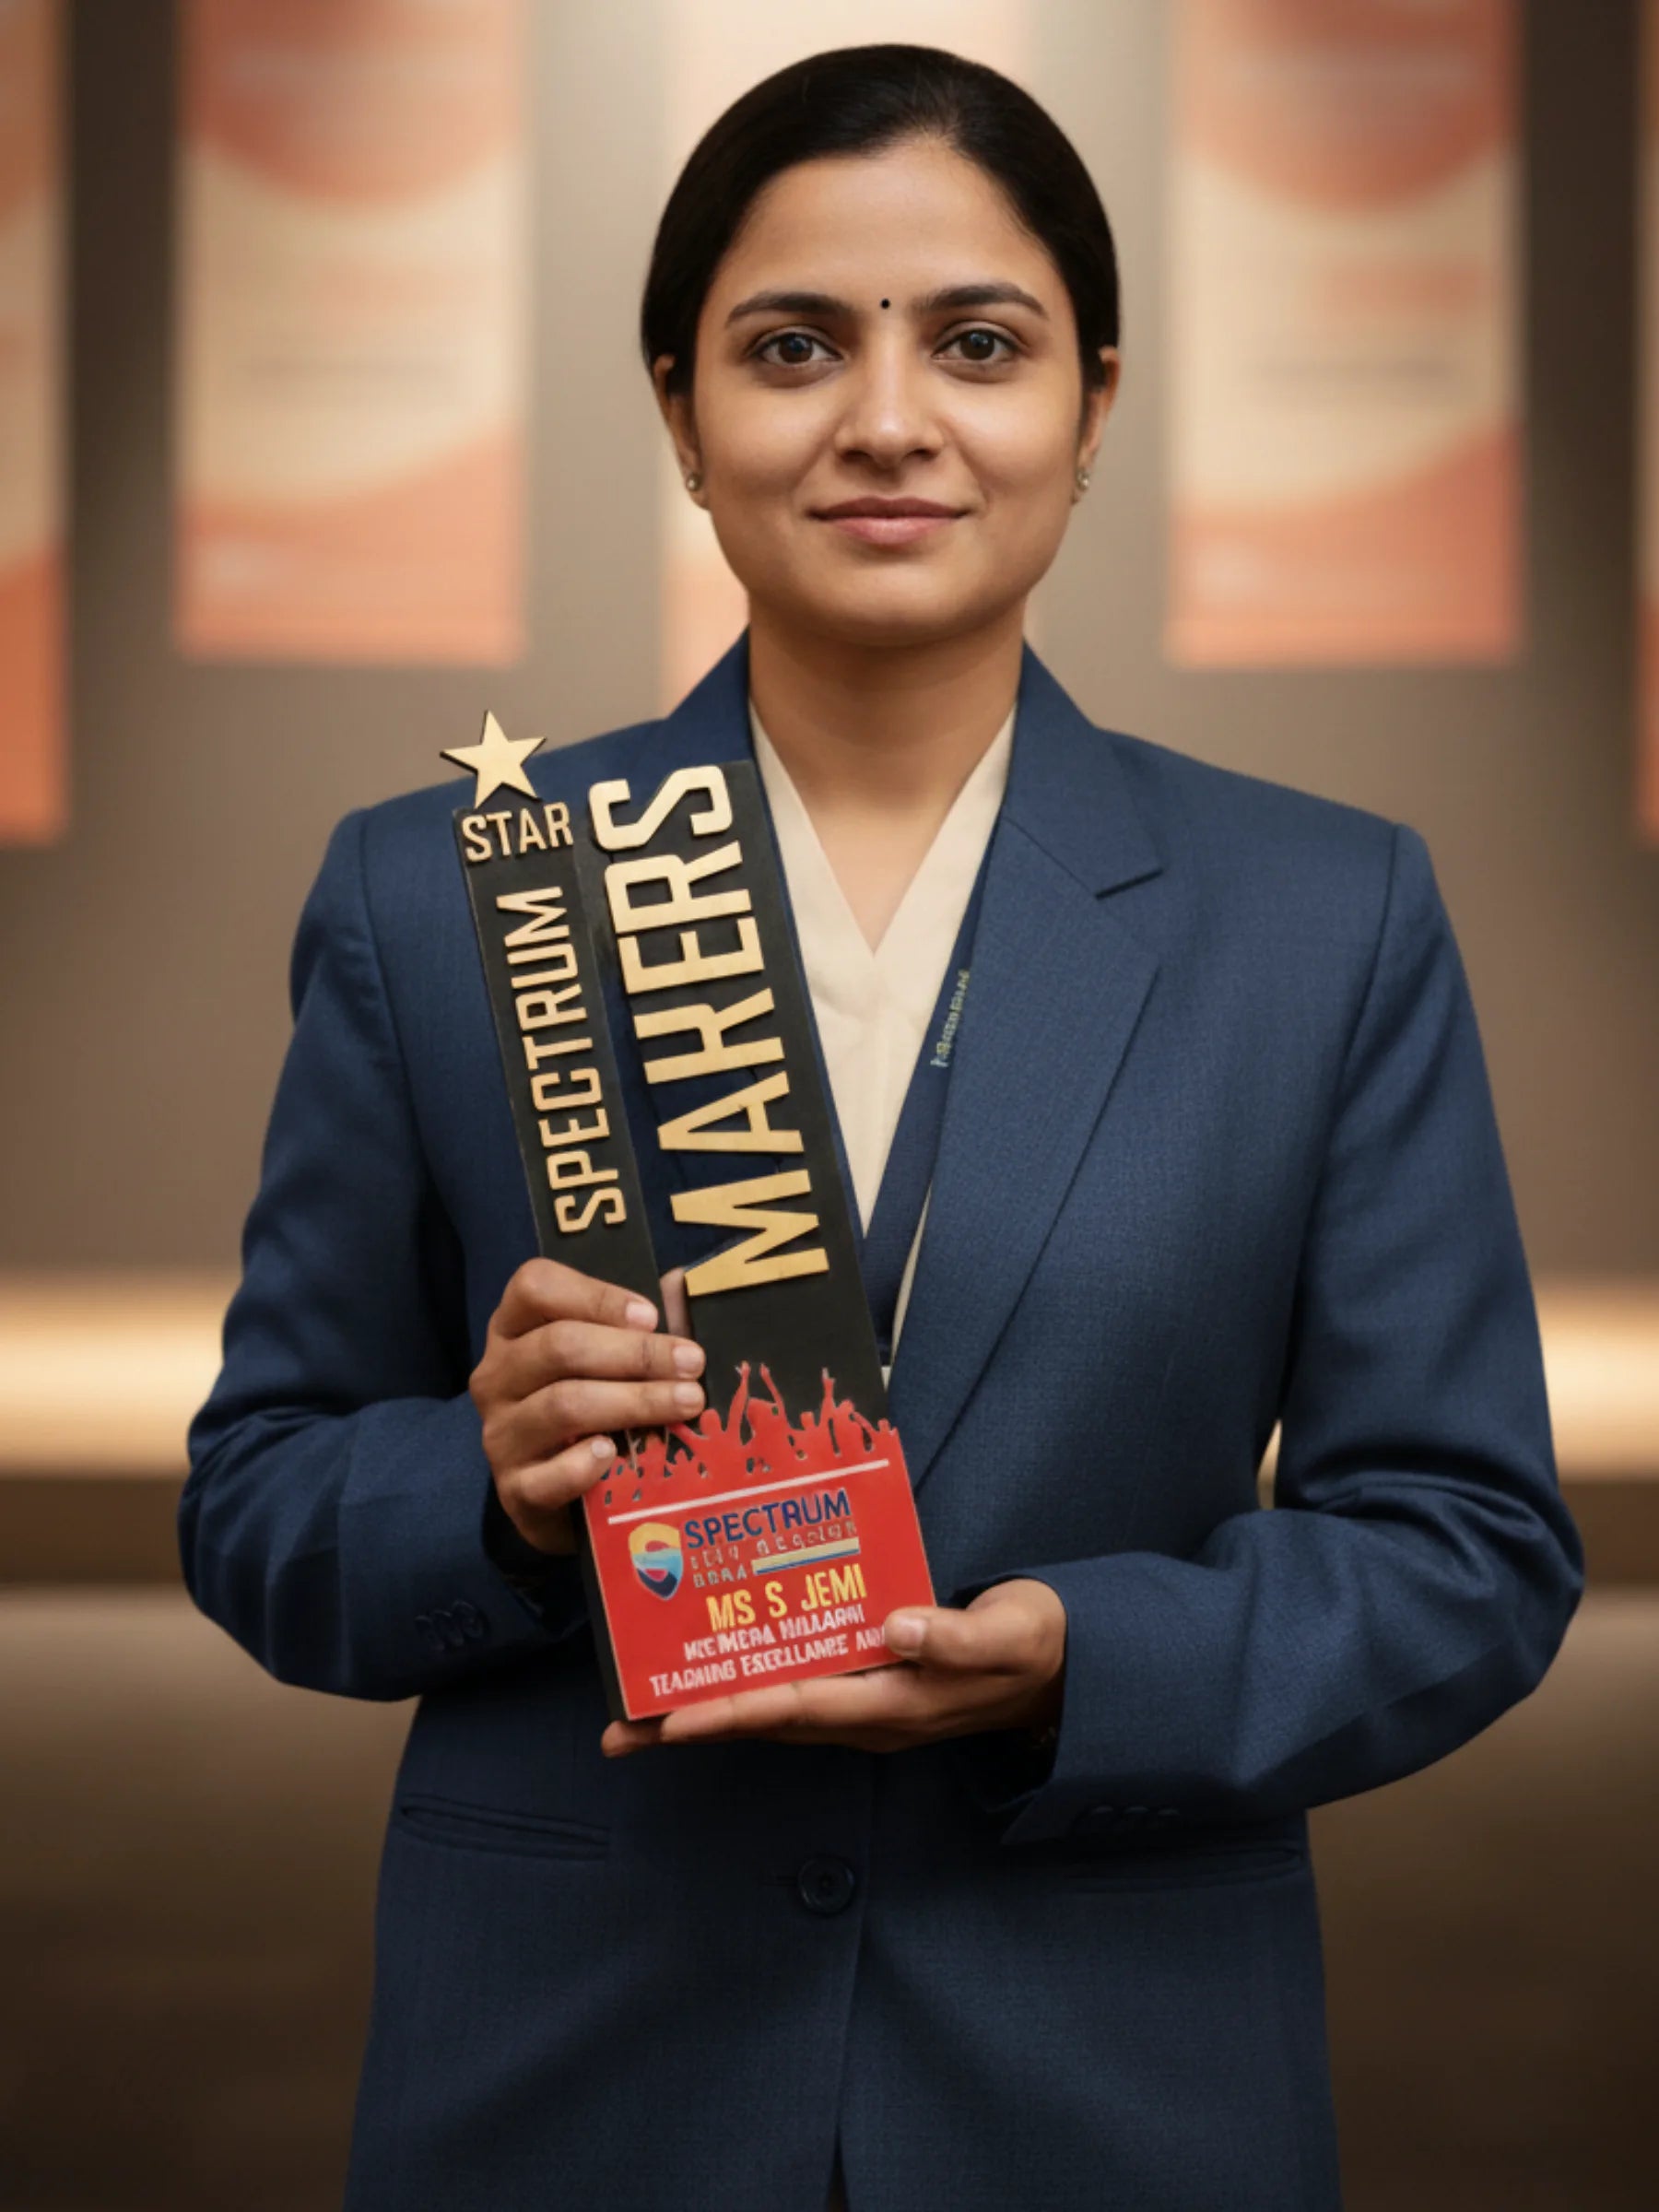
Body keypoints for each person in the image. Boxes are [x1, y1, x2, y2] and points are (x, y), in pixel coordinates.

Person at [180, 44, 1583, 2212]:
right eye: (793, 347)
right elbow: (258, 1498)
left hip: (1111, 2092)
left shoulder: (1322, 918)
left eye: (982, 345)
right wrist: (486, 1492)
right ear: (679, 411)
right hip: (568, 2085)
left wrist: (1075, 1667)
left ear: (1094, 404)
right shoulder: (457, 889)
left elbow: (1468, 1552)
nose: (890, 419)